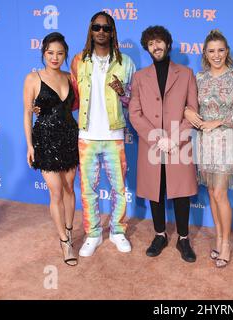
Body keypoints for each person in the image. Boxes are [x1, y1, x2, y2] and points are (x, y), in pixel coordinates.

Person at [128, 26, 198, 263]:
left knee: (181, 193)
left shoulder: (186, 74)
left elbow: (193, 112)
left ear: (167, 44)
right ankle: (160, 235)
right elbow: (134, 113)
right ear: (147, 47)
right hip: (152, 144)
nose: (155, 46)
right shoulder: (139, 77)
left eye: (159, 42)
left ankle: (184, 238)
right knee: (155, 191)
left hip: (179, 144)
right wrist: (157, 138)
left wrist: (174, 138)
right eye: (150, 43)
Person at [184, 29, 233, 267]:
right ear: (204, 53)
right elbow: (187, 105)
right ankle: (219, 237)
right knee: (212, 193)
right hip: (204, 142)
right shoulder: (199, 78)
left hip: (227, 141)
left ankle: (225, 244)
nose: (216, 55)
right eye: (211, 51)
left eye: (220, 50)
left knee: (221, 193)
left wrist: (219, 121)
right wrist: (188, 112)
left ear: (227, 52)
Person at [71, 11, 136, 256]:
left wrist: (123, 93)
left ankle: (118, 231)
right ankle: (94, 234)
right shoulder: (78, 61)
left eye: (106, 28)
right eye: (97, 27)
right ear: (91, 30)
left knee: (119, 188)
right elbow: (74, 98)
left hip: (114, 135)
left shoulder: (126, 62)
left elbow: (132, 101)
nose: (101, 32)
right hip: (86, 135)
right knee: (88, 189)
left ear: (112, 32)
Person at [23, 32, 79, 266]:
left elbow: (75, 106)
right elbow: (27, 113)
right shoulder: (33, 78)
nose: (55, 57)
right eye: (50, 53)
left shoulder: (70, 77)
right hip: (45, 140)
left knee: (69, 188)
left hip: (69, 138)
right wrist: (29, 145)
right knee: (55, 191)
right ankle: (64, 241)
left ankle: (69, 229)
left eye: (60, 53)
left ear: (65, 54)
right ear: (43, 53)